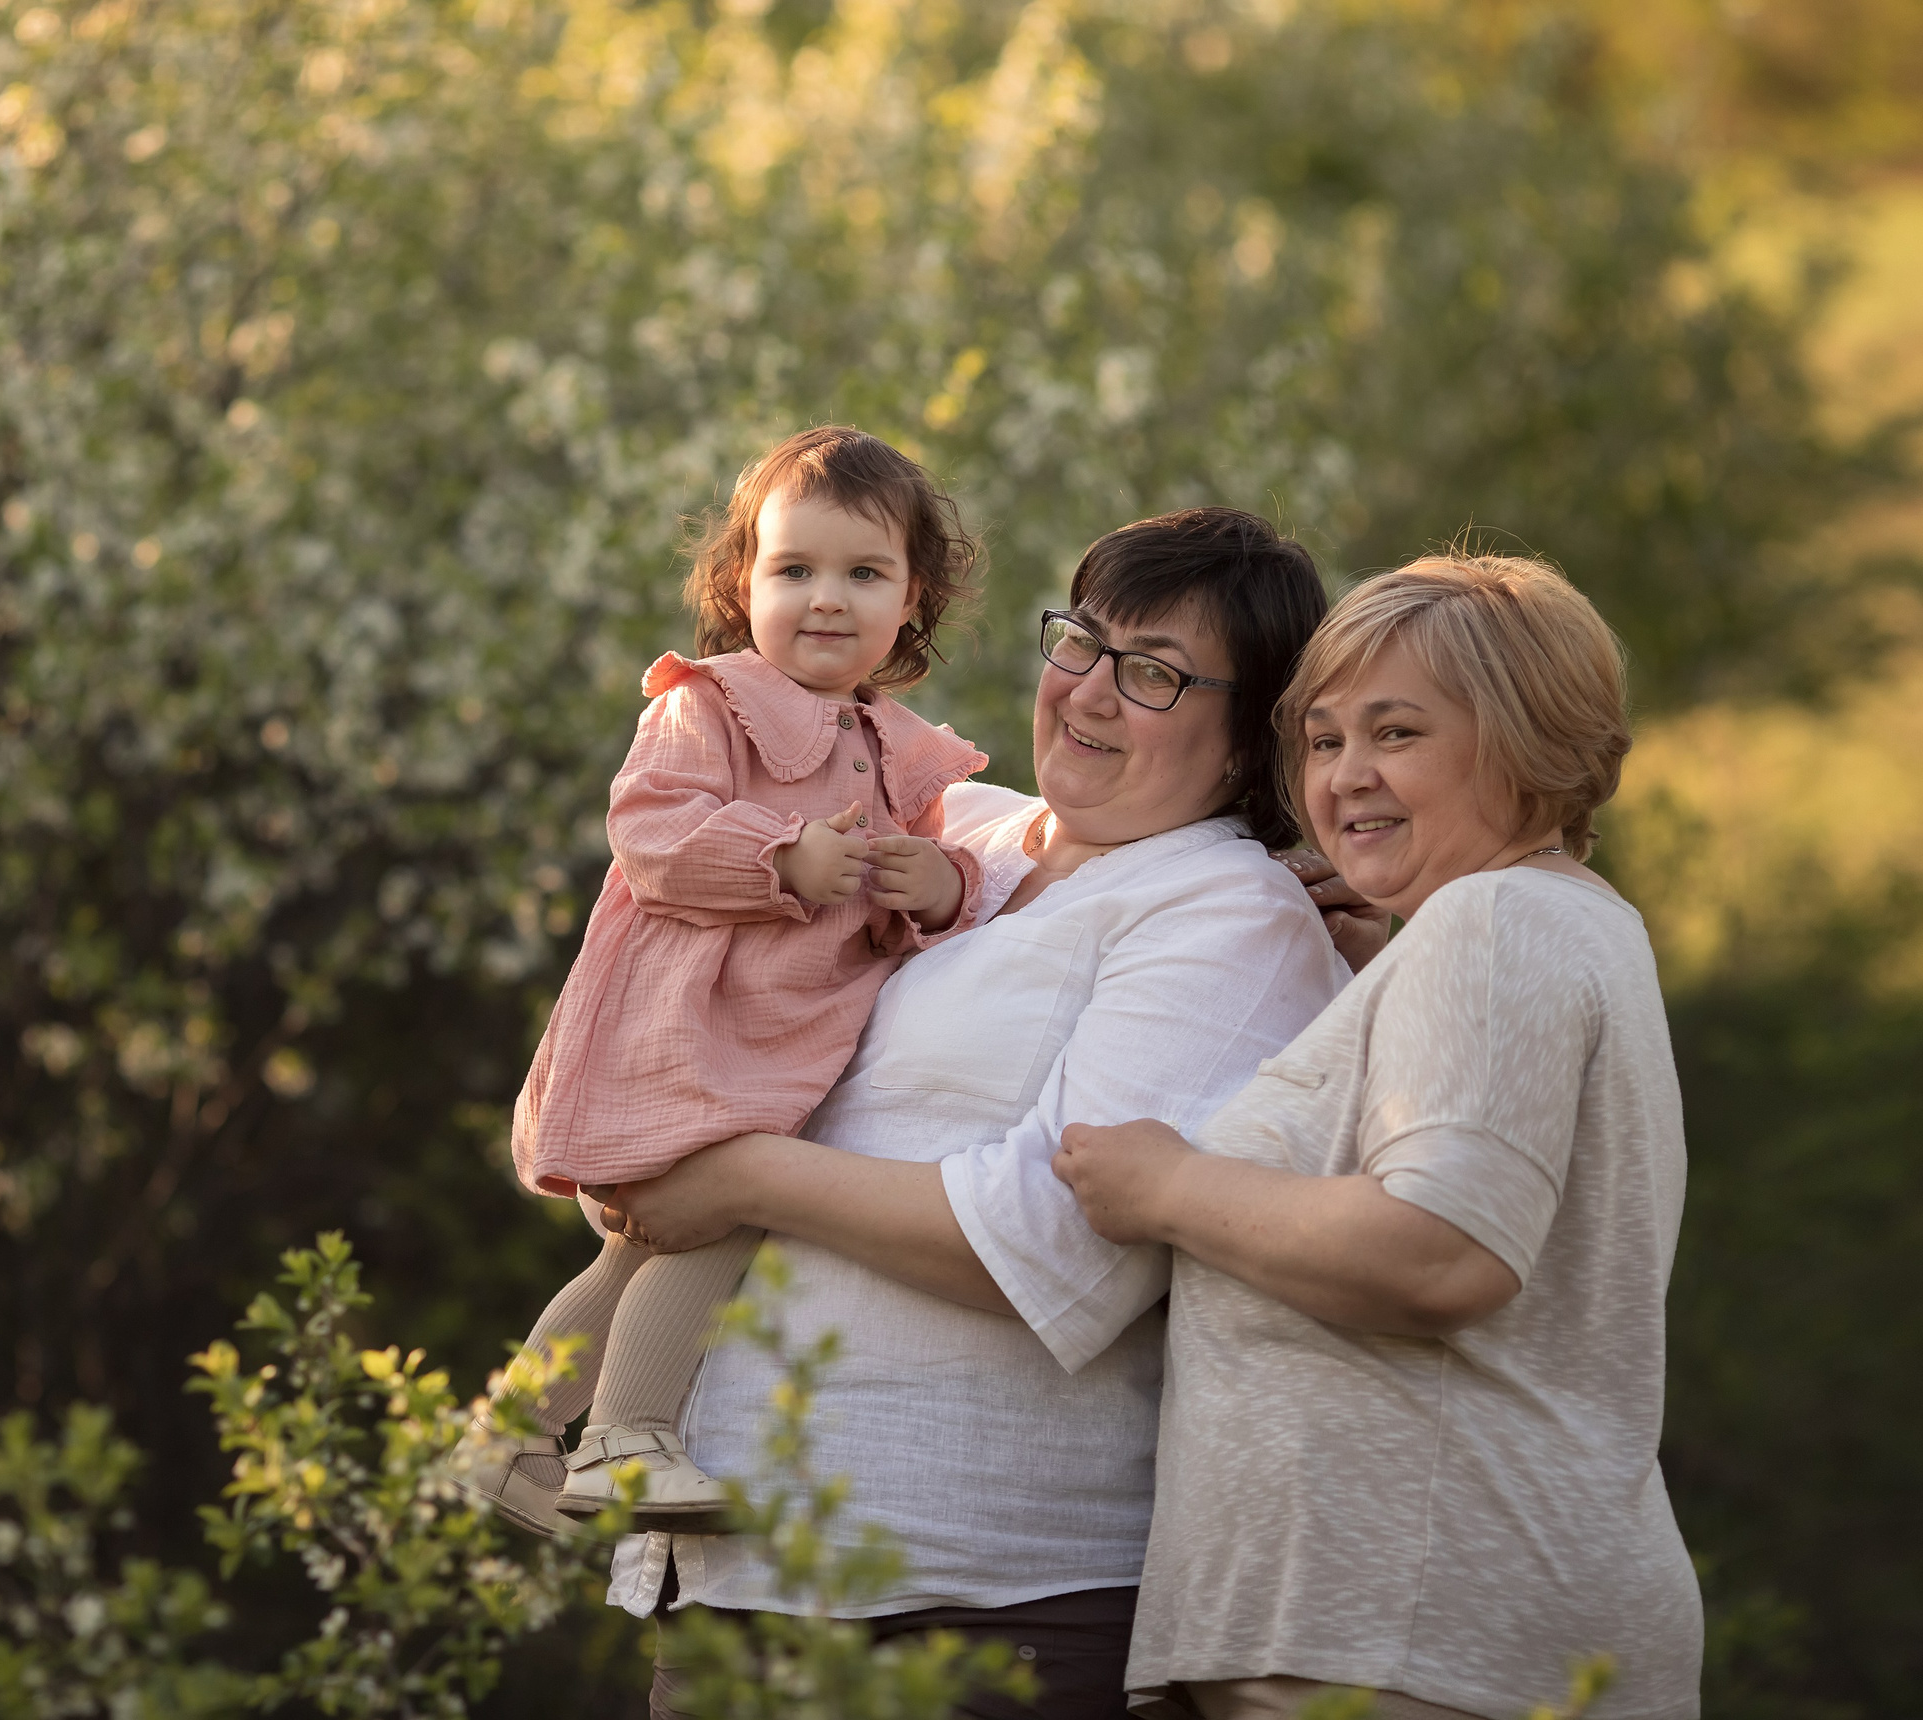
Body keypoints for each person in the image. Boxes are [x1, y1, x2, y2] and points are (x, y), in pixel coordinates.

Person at [598, 507, 1343, 1720]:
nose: (1090, 694)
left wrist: (738, 1176)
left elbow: (1051, 1248)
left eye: (1151, 674)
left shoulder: (1226, 915)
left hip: (979, 1605)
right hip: (748, 1581)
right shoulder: (961, 833)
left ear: (1246, 738)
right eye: (1081, 642)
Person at [1056, 554, 1703, 1720]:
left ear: (1523, 741)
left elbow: (1439, 1250)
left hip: (1418, 1641)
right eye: (1322, 738)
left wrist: (1169, 1185)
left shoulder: (1494, 920)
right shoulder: (1548, 927)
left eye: (1395, 734)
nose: (1345, 776)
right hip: (1427, 1638)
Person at [474, 427, 992, 1532]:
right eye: (792, 569)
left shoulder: (900, 749)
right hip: (686, 1019)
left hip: (779, 1037)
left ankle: (505, 1435)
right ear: (739, 582)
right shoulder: (704, 703)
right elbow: (649, 831)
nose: (825, 598)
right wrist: (779, 855)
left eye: (864, 573)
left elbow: (928, 906)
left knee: (653, 1240)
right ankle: (622, 1437)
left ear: (913, 600)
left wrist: (934, 882)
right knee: (722, 1217)